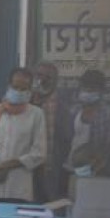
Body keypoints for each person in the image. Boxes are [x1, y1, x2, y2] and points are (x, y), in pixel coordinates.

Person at [0, 67, 47, 202]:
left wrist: (9, 165)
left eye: (24, 89)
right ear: (8, 86)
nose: (19, 91)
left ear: (30, 90)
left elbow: (39, 153)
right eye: (15, 87)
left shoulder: (36, 115)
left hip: (19, 184)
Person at [64, 69, 110, 179]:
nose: (88, 92)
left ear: (101, 91)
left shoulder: (109, 116)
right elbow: (66, 140)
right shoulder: (74, 111)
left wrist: (95, 169)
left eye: (92, 89)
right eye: (85, 88)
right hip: (70, 170)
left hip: (97, 174)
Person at [31, 61, 70, 202]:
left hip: (50, 169)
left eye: (48, 77)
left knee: (50, 205)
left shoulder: (63, 105)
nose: (43, 80)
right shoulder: (25, 100)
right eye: (39, 75)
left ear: (55, 81)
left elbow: (67, 139)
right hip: (25, 168)